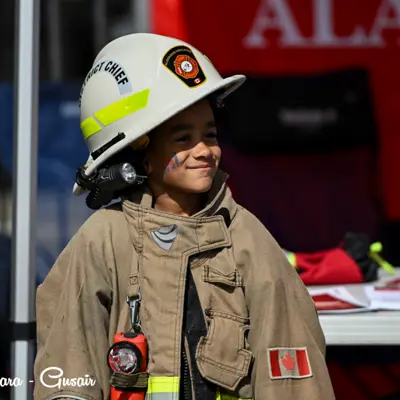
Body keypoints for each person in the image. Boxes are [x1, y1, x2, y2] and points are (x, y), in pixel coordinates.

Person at [33, 33, 335, 400]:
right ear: (138, 152)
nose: (204, 150)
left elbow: (294, 379)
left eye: (210, 134)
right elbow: (67, 371)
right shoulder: (104, 240)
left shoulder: (246, 239)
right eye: (182, 138)